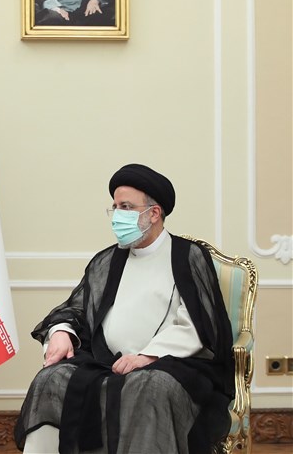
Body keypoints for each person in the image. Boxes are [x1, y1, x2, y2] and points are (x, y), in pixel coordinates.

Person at [15, 164, 235, 454]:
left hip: (169, 364)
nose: (118, 215)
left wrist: (147, 356)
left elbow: (200, 323)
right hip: (106, 361)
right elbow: (77, 308)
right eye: (115, 207)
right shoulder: (107, 260)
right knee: (50, 379)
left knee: (151, 387)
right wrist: (61, 332)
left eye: (127, 207)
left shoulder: (188, 256)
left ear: (154, 213)